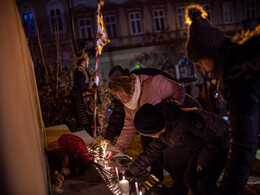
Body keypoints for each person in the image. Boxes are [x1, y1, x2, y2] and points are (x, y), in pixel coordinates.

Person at [184, 4, 260, 194]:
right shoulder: (245, 58)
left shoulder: (237, 75)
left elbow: (244, 143)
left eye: (201, 62)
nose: (202, 68)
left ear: (211, 54)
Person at [104, 65, 202, 194]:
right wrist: (118, 148)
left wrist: (172, 112)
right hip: (159, 130)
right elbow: (129, 125)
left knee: (175, 156)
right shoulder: (128, 103)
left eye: (122, 96)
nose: (122, 101)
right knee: (155, 152)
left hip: (183, 122)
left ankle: (182, 183)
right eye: (118, 98)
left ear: (128, 87)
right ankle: (175, 180)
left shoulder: (153, 84)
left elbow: (179, 90)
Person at [127, 102, 230, 195]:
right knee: (189, 178)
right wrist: (132, 171)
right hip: (202, 148)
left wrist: (202, 163)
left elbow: (214, 138)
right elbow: (151, 152)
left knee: (205, 183)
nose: (149, 137)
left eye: (149, 134)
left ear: (156, 128)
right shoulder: (164, 131)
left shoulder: (185, 121)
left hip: (219, 145)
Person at [70, 50, 99, 136]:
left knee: (92, 121)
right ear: (83, 62)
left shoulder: (83, 71)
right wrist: (93, 84)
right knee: (88, 122)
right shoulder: (79, 72)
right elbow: (82, 86)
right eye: (87, 61)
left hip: (88, 101)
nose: (88, 63)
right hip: (84, 102)